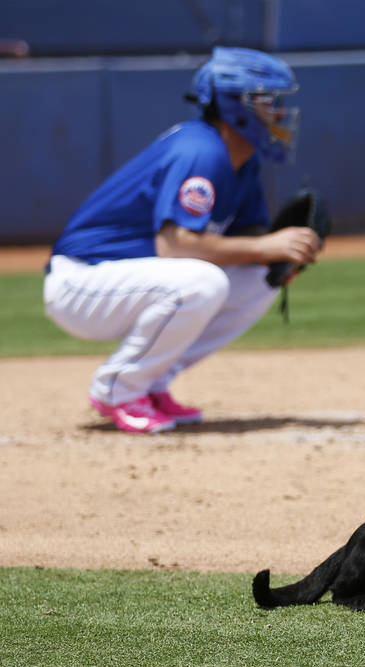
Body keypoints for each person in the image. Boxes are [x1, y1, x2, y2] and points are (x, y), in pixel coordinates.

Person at [43, 47, 321, 434]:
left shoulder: (243, 157)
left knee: (262, 279)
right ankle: (117, 390)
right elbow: (174, 246)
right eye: (266, 99)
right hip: (82, 282)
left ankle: (151, 381)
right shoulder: (200, 150)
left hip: (131, 282)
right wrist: (264, 247)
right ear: (234, 104)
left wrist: (280, 251)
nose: (277, 111)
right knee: (202, 282)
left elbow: (249, 237)